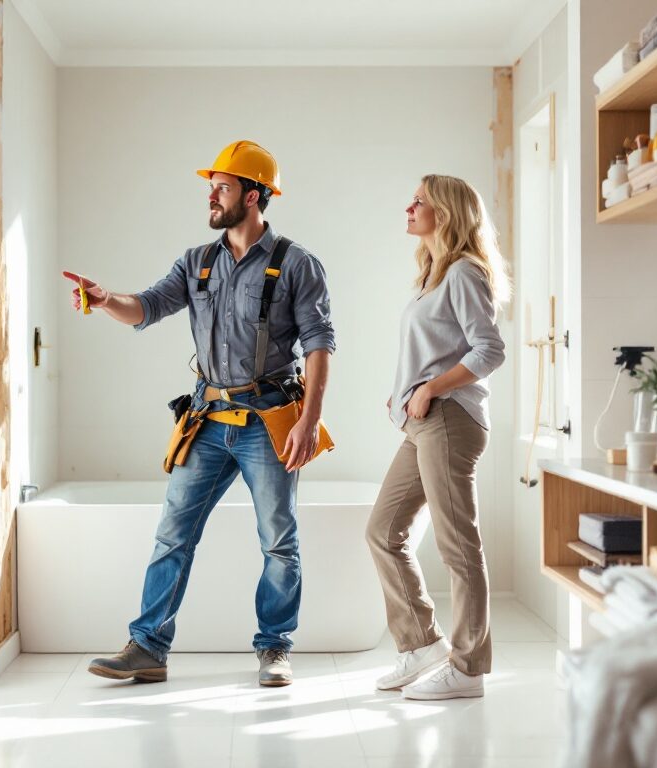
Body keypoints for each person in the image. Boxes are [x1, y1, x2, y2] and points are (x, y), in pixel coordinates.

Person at [63, 140, 335, 687]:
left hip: (269, 422)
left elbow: (319, 344)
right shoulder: (197, 263)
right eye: (211, 187)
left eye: (223, 187)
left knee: (278, 539)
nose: (212, 196)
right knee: (173, 534)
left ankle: (275, 647)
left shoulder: (297, 263)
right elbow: (146, 306)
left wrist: (308, 421)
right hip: (207, 421)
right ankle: (148, 647)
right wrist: (106, 298)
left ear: (253, 195)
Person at [365, 174, 508, 701]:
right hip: (423, 422)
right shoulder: (435, 273)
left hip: (449, 419)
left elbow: (489, 350)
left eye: (419, 201)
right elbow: (437, 349)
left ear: (443, 213)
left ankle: (468, 668)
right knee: (383, 532)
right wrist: (405, 392)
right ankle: (421, 643)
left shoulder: (465, 271)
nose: (409, 207)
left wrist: (428, 389)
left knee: (457, 546)